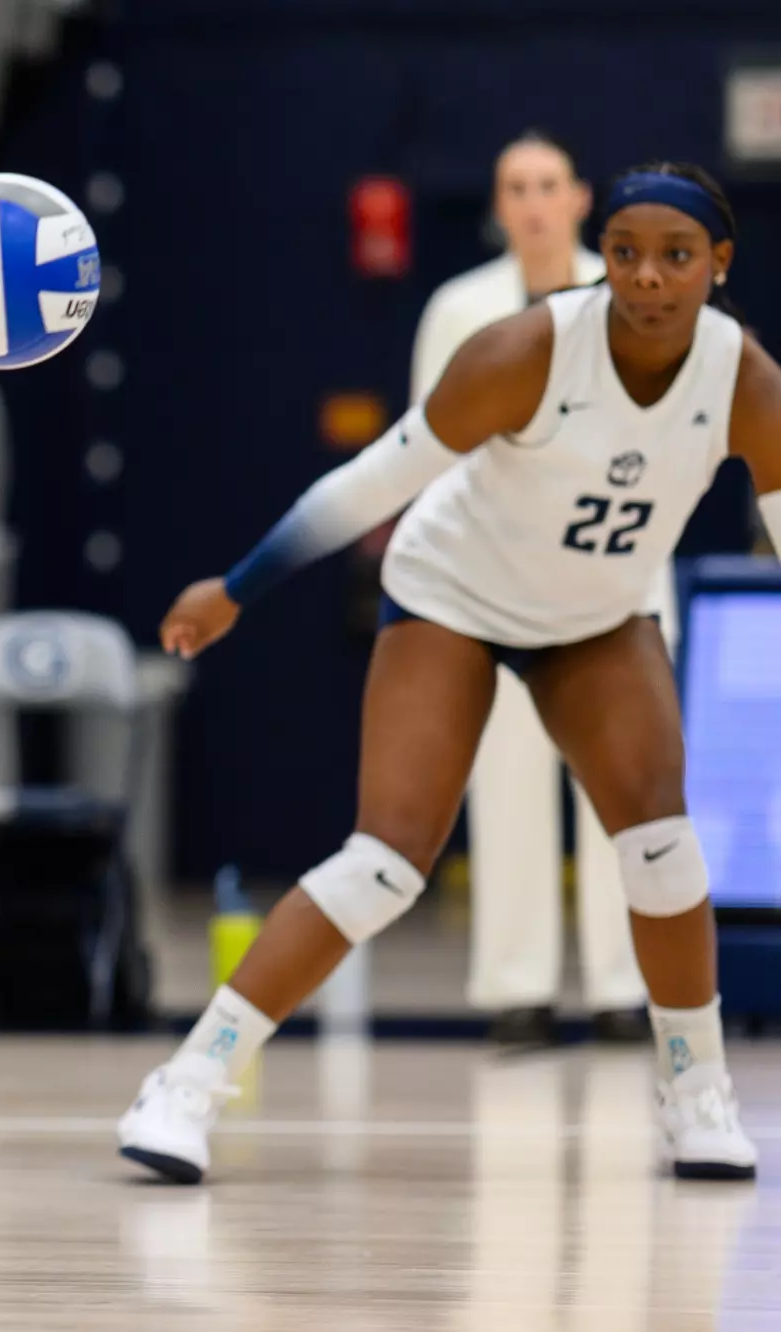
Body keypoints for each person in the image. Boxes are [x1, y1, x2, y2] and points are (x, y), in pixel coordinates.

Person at [118, 162, 781, 1186]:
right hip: (453, 598)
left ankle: (695, 1094)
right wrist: (237, 587)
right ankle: (187, 1082)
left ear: (719, 264)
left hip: (597, 617)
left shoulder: (744, 380)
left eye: (676, 257)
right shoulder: (524, 350)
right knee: (383, 863)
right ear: (600, 257)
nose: (648, 277)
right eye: (626, 254)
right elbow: (372, 482)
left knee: (663, 846)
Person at [412, 131, 652, 1045]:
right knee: (507, 780)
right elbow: (431, 445)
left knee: (618, 785)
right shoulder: (458, 308)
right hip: (500, 579)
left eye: (549, 185)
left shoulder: (628, 296)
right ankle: (517, 988)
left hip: (609, 573)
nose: (535, 202)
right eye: (517, 187)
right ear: (499, 205)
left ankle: (623, 988)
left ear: (581, 198)